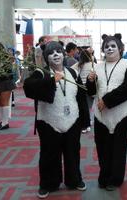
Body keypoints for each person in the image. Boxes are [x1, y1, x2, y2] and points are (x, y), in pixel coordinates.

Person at [23, 41, 92, 199]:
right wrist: (51, 80)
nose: (55, 54)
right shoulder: (42, 73)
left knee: (72, 153)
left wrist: (84, 120)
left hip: (72, 121)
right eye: (51, 52)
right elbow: (28, 88)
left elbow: (81, 97)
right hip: (49, 122)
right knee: (49, 155)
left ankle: (74, 180)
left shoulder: (72, 73)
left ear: (63, 54)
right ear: (47, 57)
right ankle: (48, 183)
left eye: (58, 51)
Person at [86, 33, 127, 191]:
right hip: (101, 115)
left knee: (118, 148)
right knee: (102, 147)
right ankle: (104, 176)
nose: (109, 49)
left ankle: (115, 178)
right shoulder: (97, 66)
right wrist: (90, 81)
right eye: (106, 46)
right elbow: (91, 92)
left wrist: (107, 100)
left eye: (113, 46)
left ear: (120, 48)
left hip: (122, 114)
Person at [0, 42, 16, 131]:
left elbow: (4, 67)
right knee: (0, 103)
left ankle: (5, 123)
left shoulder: (6, 57)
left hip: (6, 81)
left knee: (4, 102)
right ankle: (3, 121)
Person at [71, 49, 94, 133]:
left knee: (83, 107)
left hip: (80, 88)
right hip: (89, 87)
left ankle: (86, 122)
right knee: (89, 106)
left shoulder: (78, 64)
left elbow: (70, 70)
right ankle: (89, 121)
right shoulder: (93, 64)